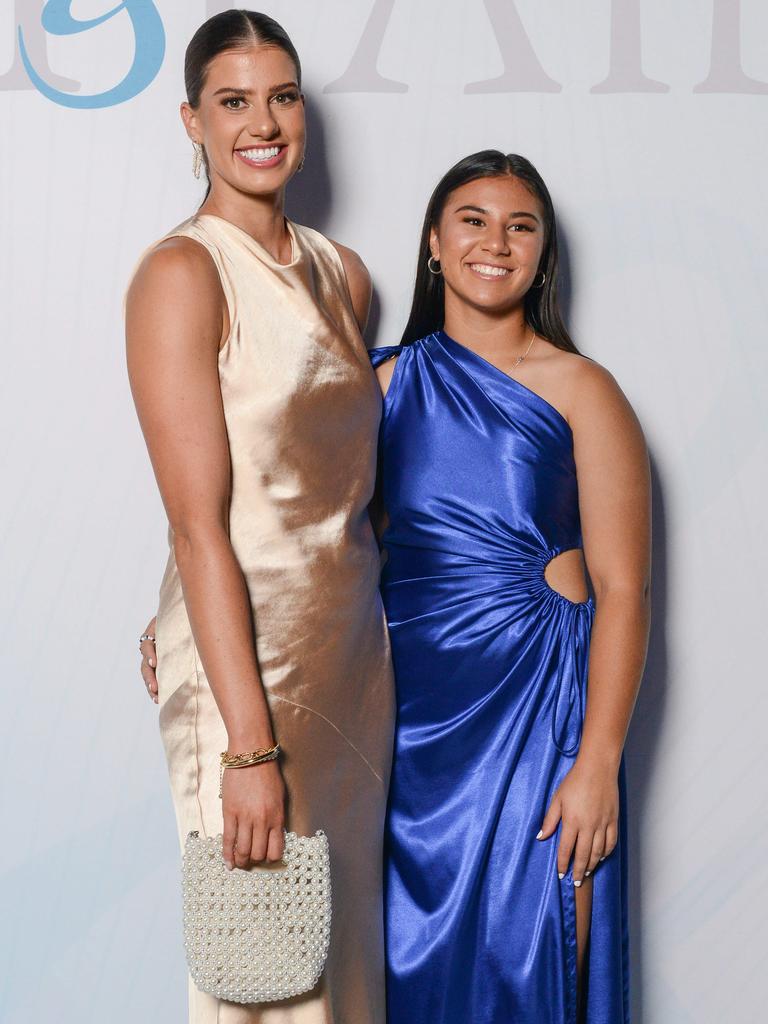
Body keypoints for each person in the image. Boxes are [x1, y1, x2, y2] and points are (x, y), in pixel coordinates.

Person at [126, 11, 394, 1024]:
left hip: (352, 664)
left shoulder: (344, 273)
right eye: (234, 101)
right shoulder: (180, 275)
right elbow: (199, 523)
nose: (263, 122)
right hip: (254, 691)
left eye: (282, 96)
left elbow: (332, 478)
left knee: (344, 974)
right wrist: (246, 747)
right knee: (262, 976)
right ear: (192, 120)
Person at [367, 151, 649, 1023]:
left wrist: (597, 760)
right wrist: (179, 615)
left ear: (542, 253)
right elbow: (306, 540)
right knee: (406, 975)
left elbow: (626, 588)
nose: (496, 242)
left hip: (541, 716)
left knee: (535, 965)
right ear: (434, 244)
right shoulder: (379, 384)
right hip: (408, 728)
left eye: (520, 226)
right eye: (474, 220)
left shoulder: (583, 389)